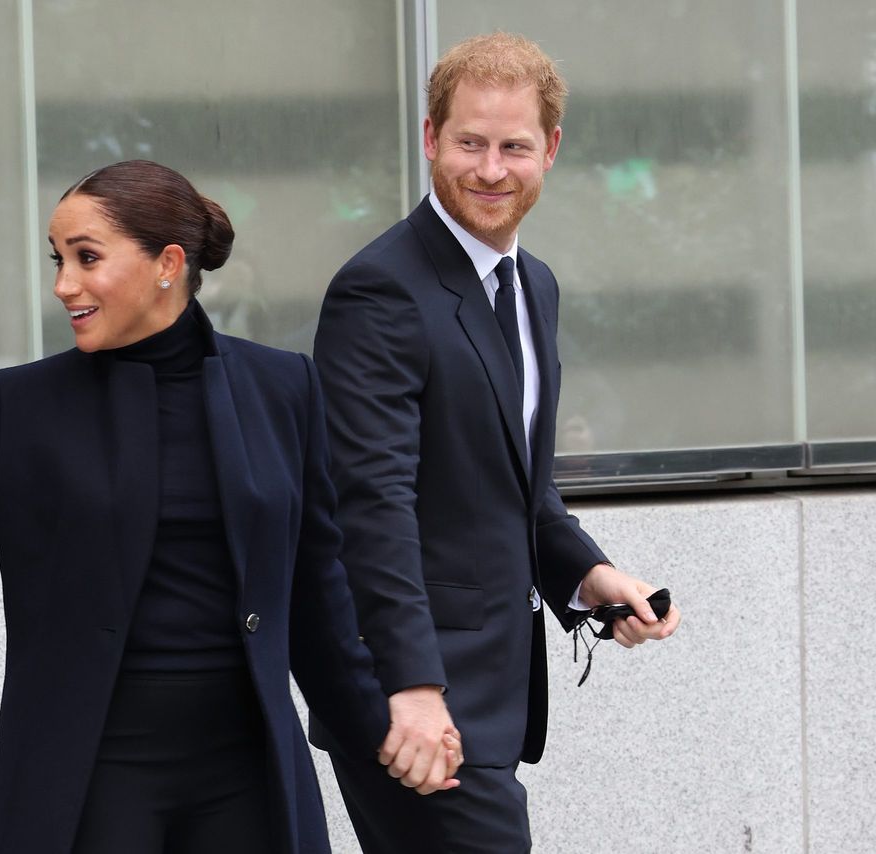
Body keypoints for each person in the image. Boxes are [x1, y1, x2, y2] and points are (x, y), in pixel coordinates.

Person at [0, 159, 462, 854]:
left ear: (167, 263)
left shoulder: (283, 388)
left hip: (248, 775)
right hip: (90, 781)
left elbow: (321, 603)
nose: (63, 285)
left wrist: (387, 733)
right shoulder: (18, 407)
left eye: (86, 258)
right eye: (58, 260)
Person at [310, 33, 681, 852]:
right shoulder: (380, 290)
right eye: (470, 142)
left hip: (490, 698)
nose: (490, 169)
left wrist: (590, 575)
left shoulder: (532, 285)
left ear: (549, 149)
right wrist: (411, 687)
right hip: (416, 707)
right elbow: (371, 505)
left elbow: (517, 485)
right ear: (431, 138)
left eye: (514, 146)